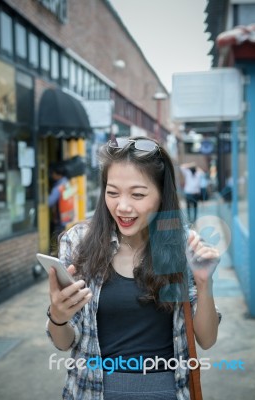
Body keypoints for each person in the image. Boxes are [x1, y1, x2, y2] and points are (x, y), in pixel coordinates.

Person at [46, 137, 221, 400]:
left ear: (162, 194)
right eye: (113, 192)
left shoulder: (181, 245)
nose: (123, 206)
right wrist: (58, 315)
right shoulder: (80, 243)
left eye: (138, 194)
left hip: (167, 391)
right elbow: (63, 343)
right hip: (92, 391)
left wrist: (205, 283)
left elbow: (206, 340)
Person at [48, 164, 75, 246]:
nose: (51, 175)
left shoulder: (58, 188)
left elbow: (49, 202)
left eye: (52, 173)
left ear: (57, 174)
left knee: (58, 239)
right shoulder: (67, 183)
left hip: (60, 218)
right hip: (68, 216)